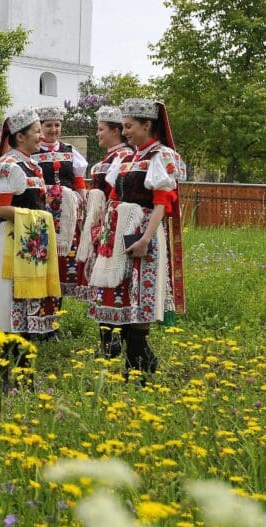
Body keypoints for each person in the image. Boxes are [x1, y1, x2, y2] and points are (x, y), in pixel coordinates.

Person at [88, 98, 186, 377]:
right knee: (122, 297)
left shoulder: (160, 156)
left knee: (139, 299)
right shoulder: (127, 157)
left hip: (143, 232)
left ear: (147, 125)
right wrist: (104, 231)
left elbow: (162, 202)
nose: (126, 131)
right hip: (120, 233)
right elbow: (115, 195)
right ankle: (139, 364)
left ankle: (139, 367)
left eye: (130, 126)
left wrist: (145, 238)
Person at [0, 108, 62, 369]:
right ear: (19, 137)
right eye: (37, 131)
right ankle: (4, 369)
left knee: (27, 304)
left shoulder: (33, 166)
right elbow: (1, 210)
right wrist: (41, 218)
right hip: (13, 242)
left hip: (30, 242)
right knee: (8, 303)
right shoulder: (8, 166)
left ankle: (22, 369)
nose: (41, 136)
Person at [77, 106, 135, 357]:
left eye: (101, 129)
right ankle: (110, 338)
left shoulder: (123, 156)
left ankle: (114, 339)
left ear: (115, 131)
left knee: (115, 279)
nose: (97, 134)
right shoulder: (113, 157)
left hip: (115, 224)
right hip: (105, 225)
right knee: (106, 280)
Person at [33, 106, 88, 301]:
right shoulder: (33, 150)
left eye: (57, 125)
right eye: (48, 125)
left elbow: (79, 181)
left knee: (64, 261)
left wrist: (83, 204)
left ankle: (58, 307)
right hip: (42, 211)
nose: (53, 130)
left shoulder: (70, 151)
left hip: (66, 216)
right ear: (40, 127)